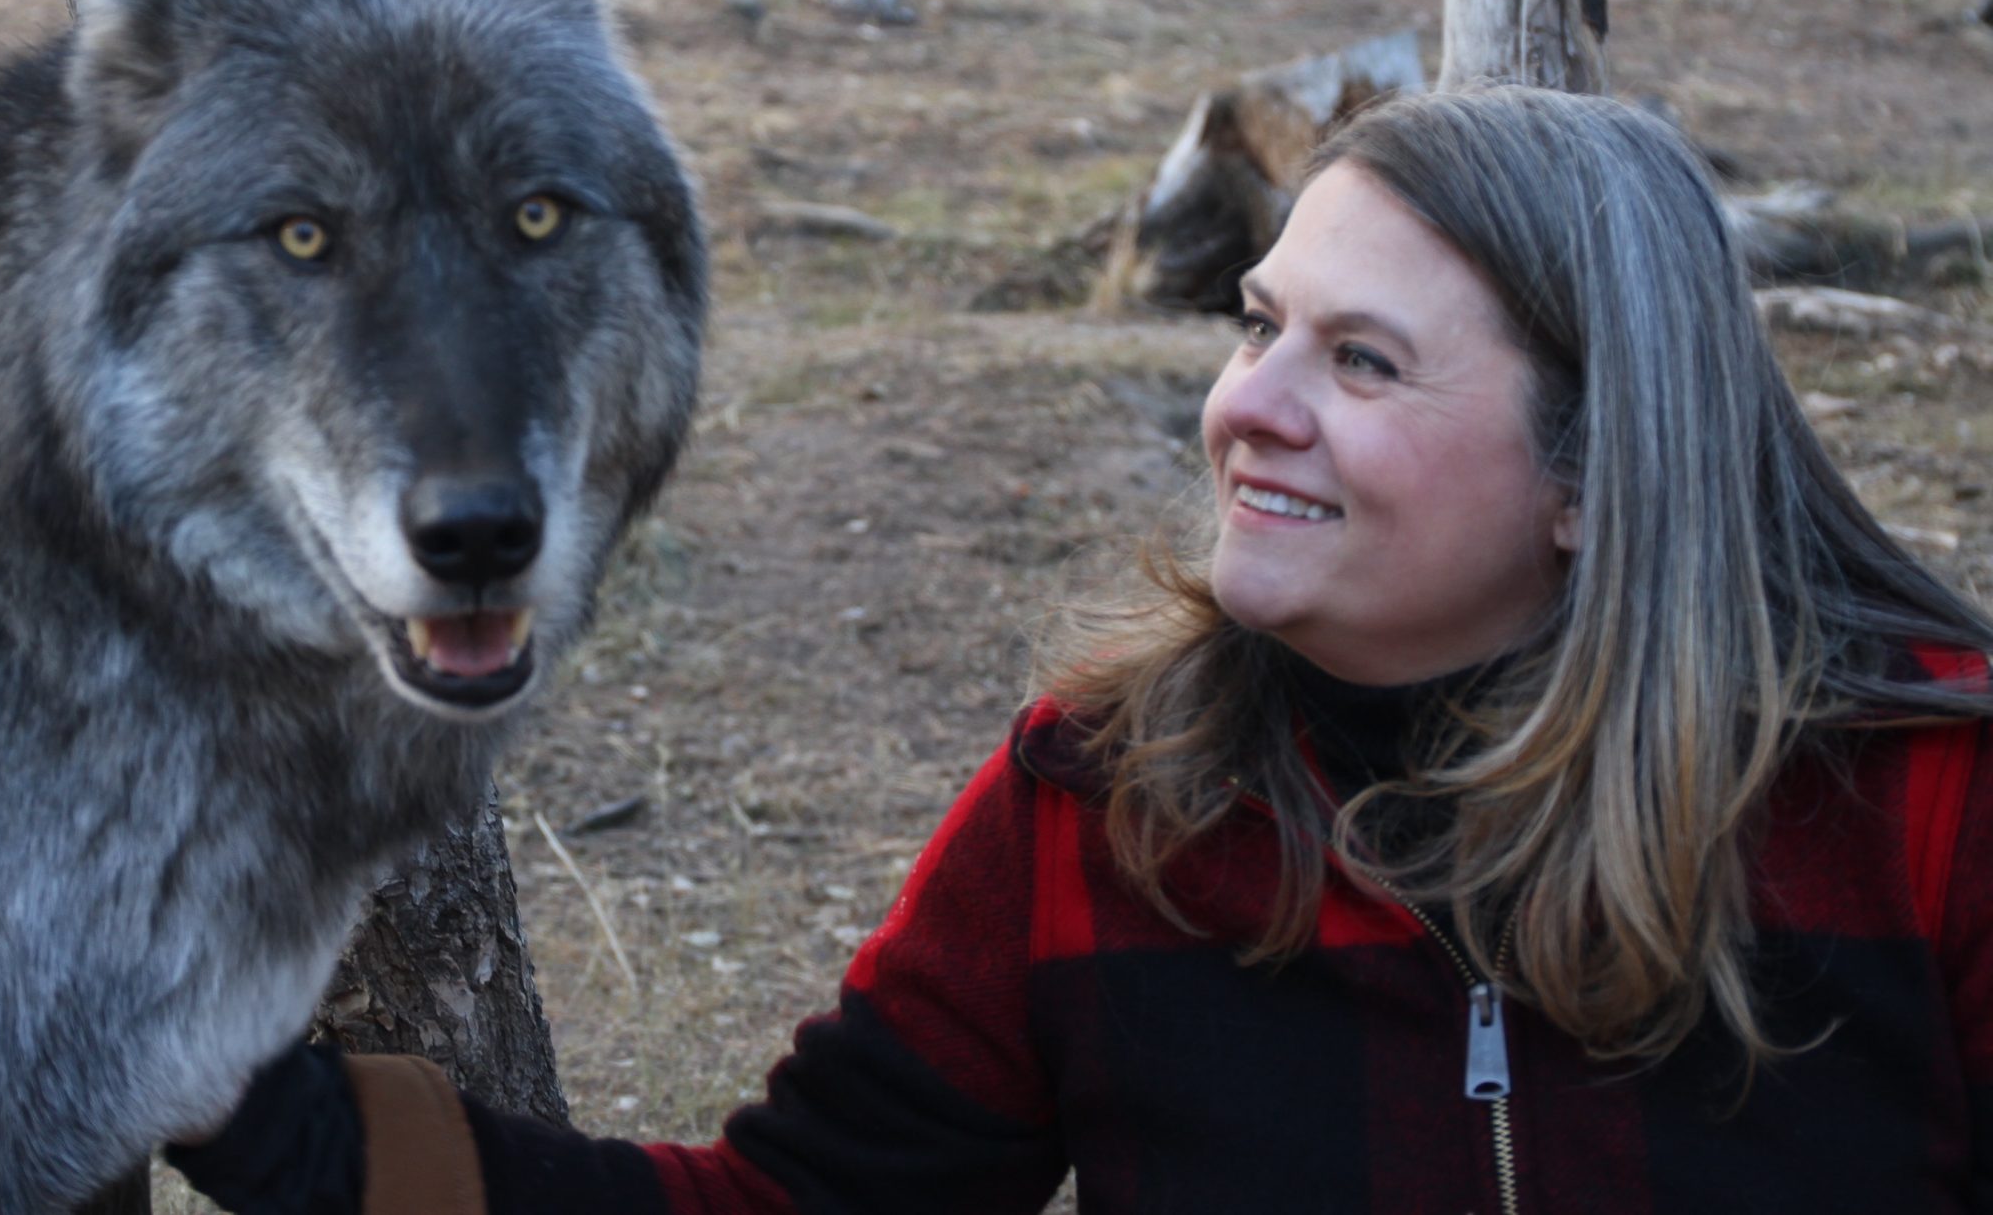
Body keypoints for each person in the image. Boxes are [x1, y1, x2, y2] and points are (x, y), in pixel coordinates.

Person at [166, 87, 1993, 1215]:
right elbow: (790, 1212)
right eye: (1257, 324)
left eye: (1362, 364)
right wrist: (208, 1080)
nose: (1246, 409)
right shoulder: (1115, 801)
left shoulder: (1922, 804)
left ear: (1597, 479)